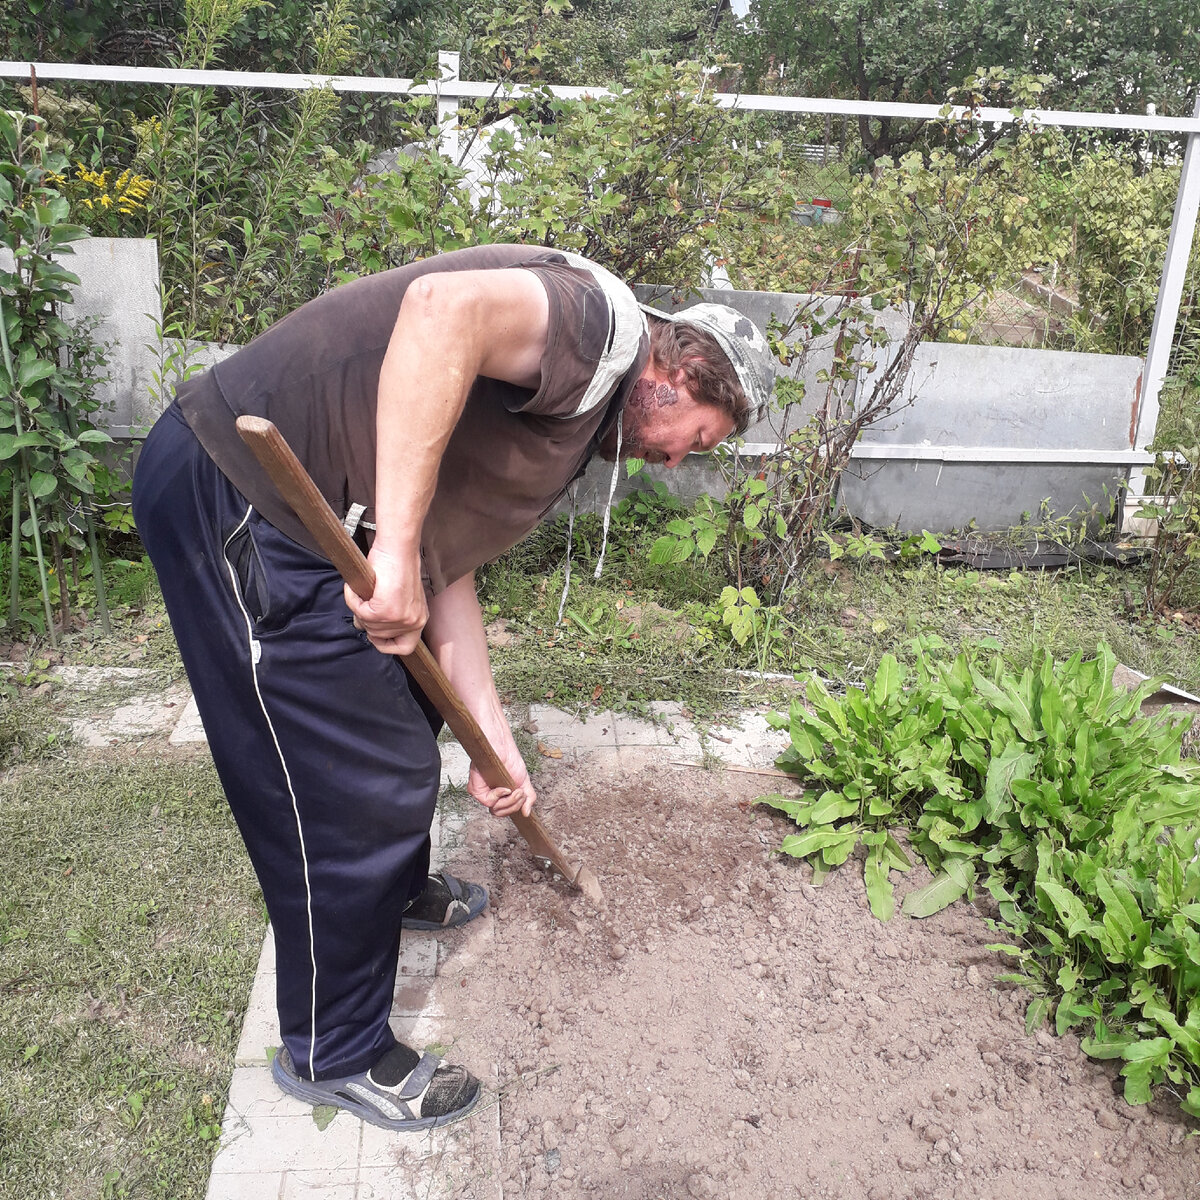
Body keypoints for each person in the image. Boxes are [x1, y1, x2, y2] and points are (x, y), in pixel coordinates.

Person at [131, 244, 775, 1133]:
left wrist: (490, 730)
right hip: (242, 493)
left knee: (412, 707)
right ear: (680, 375)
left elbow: (445, 554)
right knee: (346, 782)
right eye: (696, 438)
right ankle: (333, 1050)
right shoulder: (599, 328)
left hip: (319, 524)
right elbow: (440, 310)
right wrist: (393, 550)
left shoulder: (581, 407)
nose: (673, 461)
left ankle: (391, 894)